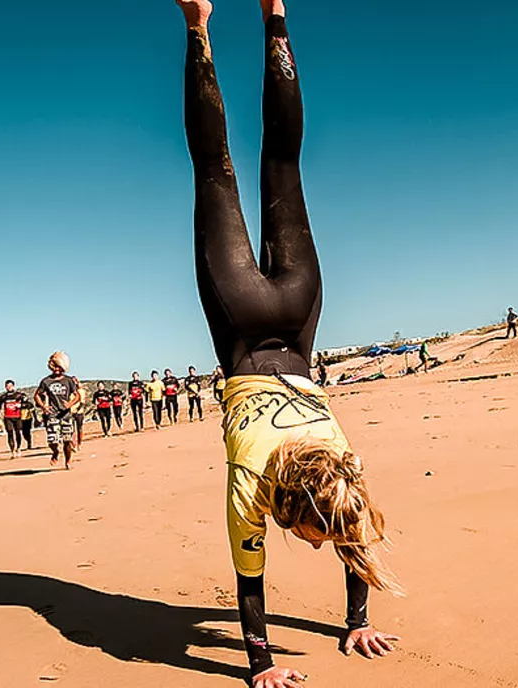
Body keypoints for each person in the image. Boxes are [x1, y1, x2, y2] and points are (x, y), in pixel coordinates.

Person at [178, 2, 402, 685]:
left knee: (283, 161)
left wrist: (358, 620)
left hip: (301, 315)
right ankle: (198, 26)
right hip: (243, 329)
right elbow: (252, 581)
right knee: (214, 170)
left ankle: (275, 15)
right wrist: (260, 666)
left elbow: (351, 526)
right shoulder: (251, 483)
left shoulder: (341, 460)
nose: (319, 542)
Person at [35, 352, 81, 469]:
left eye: (58, 366)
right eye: (54, 366)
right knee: (52, 440)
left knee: (67, 440)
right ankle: (55, 452)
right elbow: (36, 395)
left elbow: (77, 396)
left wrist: (70, 403)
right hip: (52, 414)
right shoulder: (46, 381)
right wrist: (44, 407)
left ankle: (68, 461)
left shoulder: (68, 380)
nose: (56, 369)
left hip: (65, 414)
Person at [0, 380, 25, 458]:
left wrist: (21, 405)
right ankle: (12, 450)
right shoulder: (4, 396)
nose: (9, 388)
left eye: (10, 386)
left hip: (17, 416)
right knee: (10, 432)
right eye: (7, 386)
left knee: (18, 432)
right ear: (5, 387)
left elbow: (26, 404)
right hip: (8, 417)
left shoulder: (18, 395)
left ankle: (18, 448)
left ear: (13, 386)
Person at [72, 377, 88, 448]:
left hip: (79, 412)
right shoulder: (69, 391)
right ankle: (73, 444)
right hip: (70, 412)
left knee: (80, 428)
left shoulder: (81, 391)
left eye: (75, 381)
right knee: (71, 429)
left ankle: (79, 443)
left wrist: (78, 409)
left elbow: (82, 402)